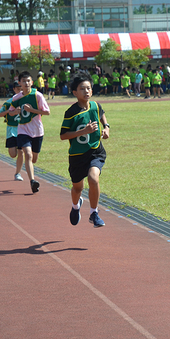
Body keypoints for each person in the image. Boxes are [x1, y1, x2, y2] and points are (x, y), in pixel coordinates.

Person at [60, 71, 110, 228]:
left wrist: (106, 127)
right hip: (77, 156)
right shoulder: (71, 113)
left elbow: (101, 115)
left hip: (95, 150)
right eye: (82, 88)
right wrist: (83, 131)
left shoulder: (95, 105)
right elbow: (63, 135)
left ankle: (94, 213)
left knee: (93, 178)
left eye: (88, 88)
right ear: (75, 92)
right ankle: (76, 207)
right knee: (77, 188)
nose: (86, 91)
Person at [8, 71, 51, 193]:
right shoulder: (16, 98)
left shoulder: (38, 96)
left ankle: (30, 173)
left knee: (34, 158)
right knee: (27, 154)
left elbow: (47, 112)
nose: (26, 83)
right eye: (24, 81)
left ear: (32, 82)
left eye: (28, 81)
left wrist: (32, 110)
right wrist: (15, 111)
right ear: (20, 83)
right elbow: (10, 112)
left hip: (37, 131)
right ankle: (32, 181)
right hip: (23, 130)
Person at [0, 81, 25, 181]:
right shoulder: (9, 102)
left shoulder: (25, 102)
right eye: (18, 89)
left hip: (22, 130)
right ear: (14, 89)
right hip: (11, 130)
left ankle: (17, 173)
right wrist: (9, 112)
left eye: (21, 89)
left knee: (21, 152)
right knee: (13, 154)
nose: (20, 91)